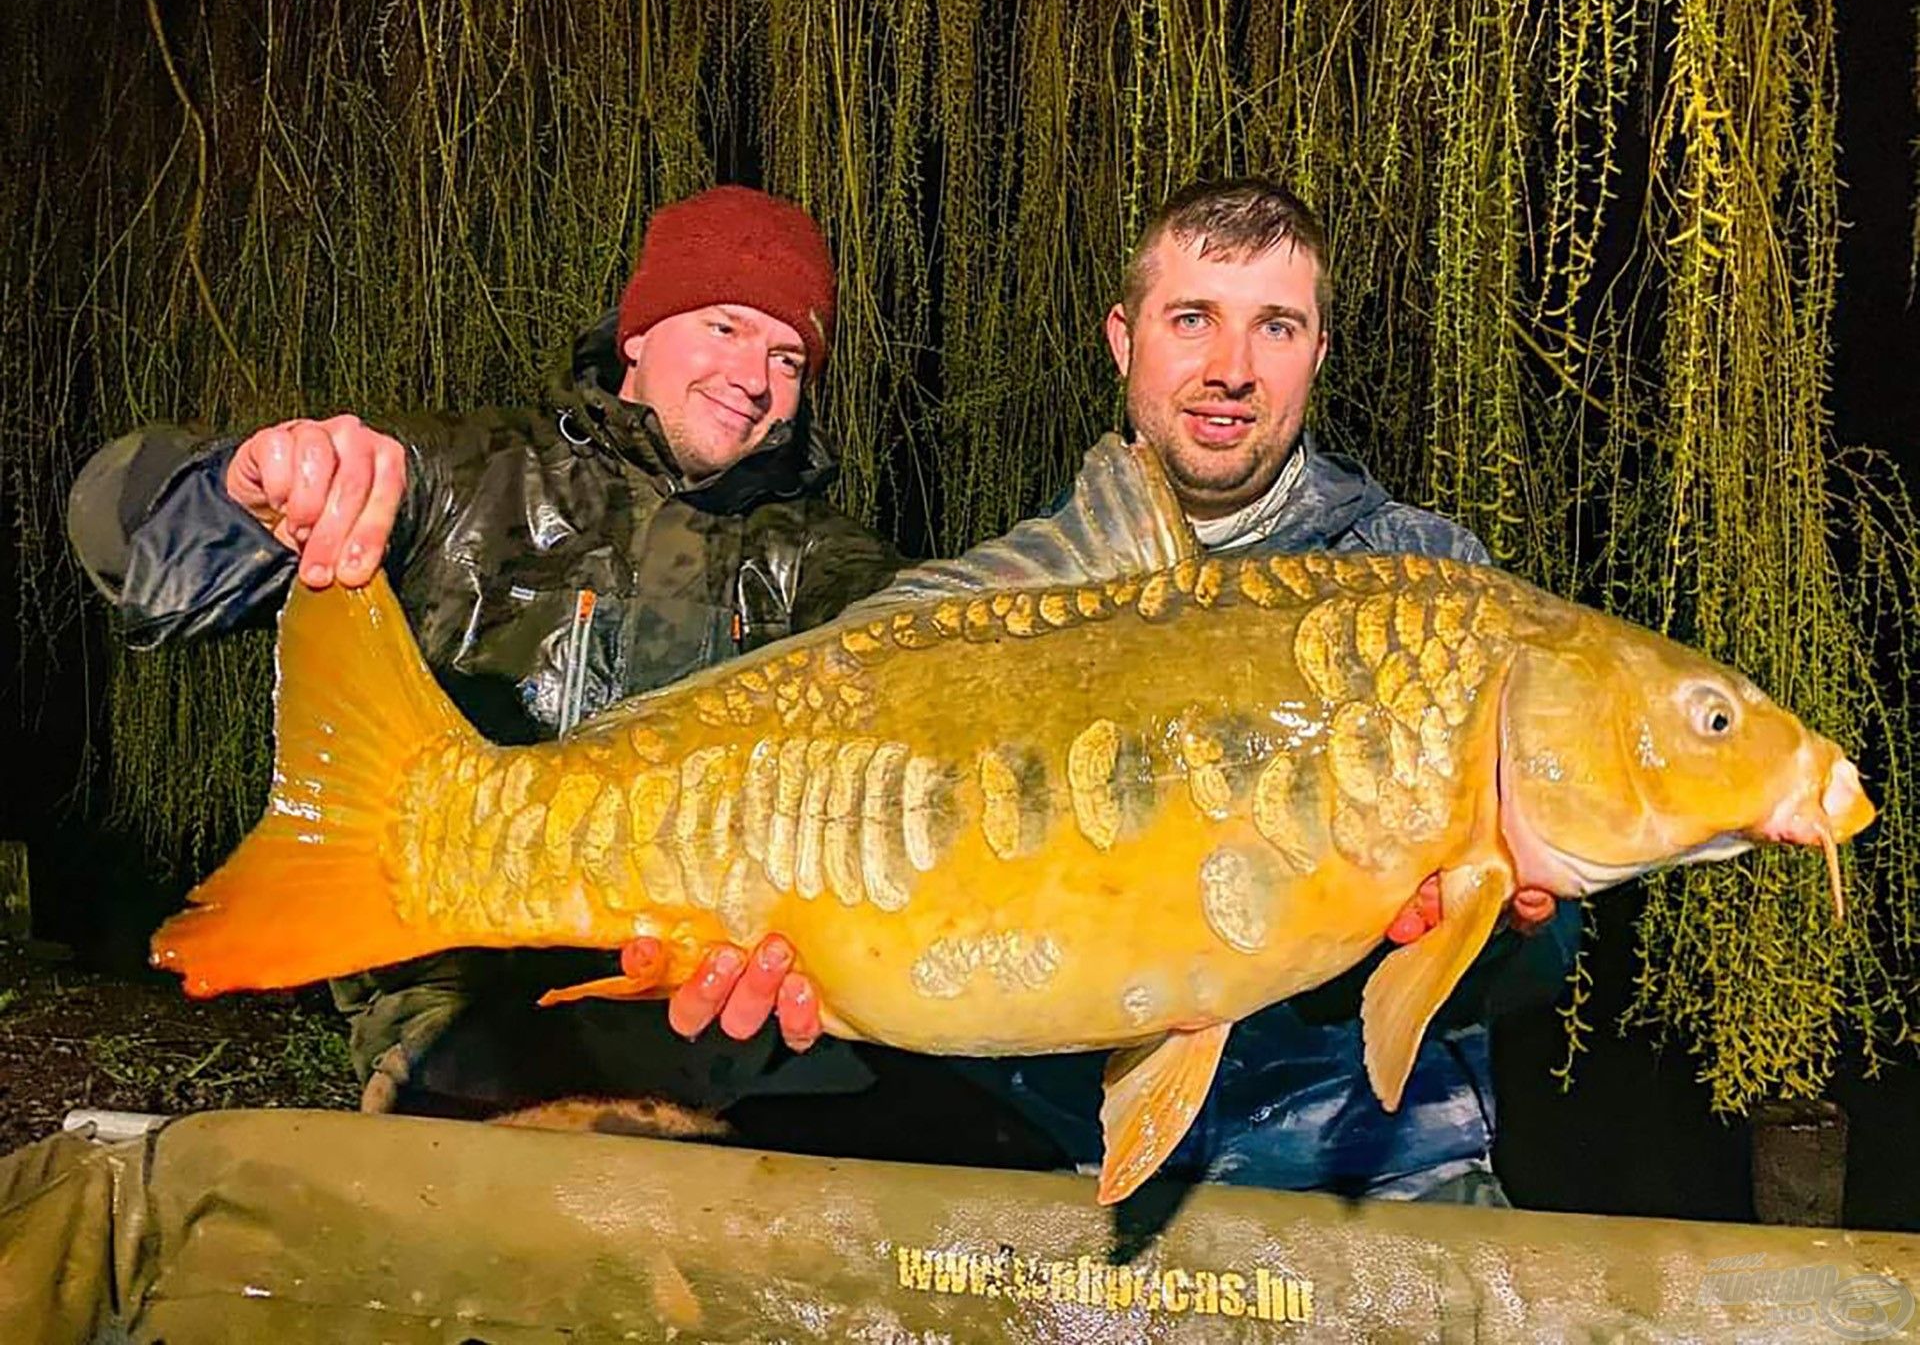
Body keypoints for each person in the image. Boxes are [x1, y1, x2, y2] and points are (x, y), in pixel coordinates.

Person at [689, 177, 1582, 1204]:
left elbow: (1543, 954)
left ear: (1318, 354)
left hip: (1377, 1166)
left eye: (1276, 327)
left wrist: (1505, 927)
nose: (1230, 370)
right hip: (1061, 1154)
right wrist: (818, 954)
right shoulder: (1014, 606)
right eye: (1192, 319)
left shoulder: (1426, 585)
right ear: (1125, 338)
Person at [66, 183, 906, 1120]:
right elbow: (146, 560)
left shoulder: (830, 564)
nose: (755, 375)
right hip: (467, 1039)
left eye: (788, 354)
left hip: (729, 1054)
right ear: (638, 333)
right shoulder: (468, 479)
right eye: (722, 328)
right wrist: (244, 488)